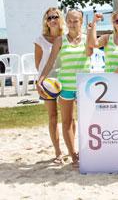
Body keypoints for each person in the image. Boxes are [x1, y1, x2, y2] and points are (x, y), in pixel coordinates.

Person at [37, 9, 91, 167]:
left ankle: (86, 151)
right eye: (70, 20)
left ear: (81, 22)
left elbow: (91, 53)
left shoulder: (88, 39)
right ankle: (73, 155)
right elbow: (51, 62)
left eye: (76, 21)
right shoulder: (60, 40)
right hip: (66, 86)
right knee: (66, 121)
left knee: (86, 122)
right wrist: (40, 80)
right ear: (66, 22)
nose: (73, 23)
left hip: (84, 87)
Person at [34, 7, 64, 165]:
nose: (52, 20)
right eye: (49, 17)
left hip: (65, 80)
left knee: (69, 118)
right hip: (48, 82)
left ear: (60, 19)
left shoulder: (66, 37)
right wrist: (42, 81)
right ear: (46, 21)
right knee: (53, 117)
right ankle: (58, 152)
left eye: (55, 16)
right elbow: (38, 64)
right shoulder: (40, 40)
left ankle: (72, 149)